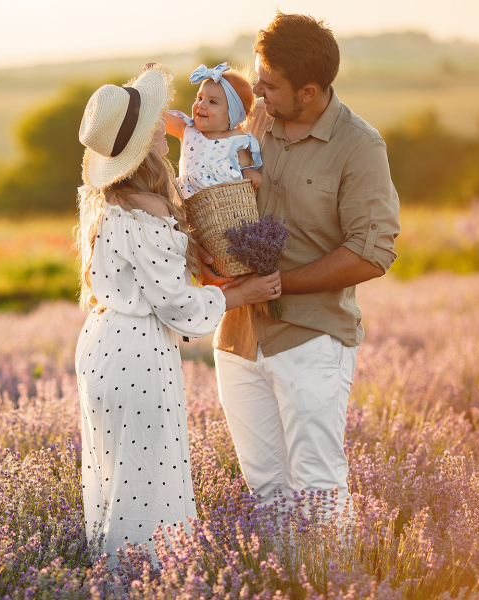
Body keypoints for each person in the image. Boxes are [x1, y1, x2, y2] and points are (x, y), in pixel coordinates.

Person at [74, 64, 281, 564]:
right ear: (145, 145)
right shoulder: (150, 207)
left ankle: (114, 578)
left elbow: (151, 280)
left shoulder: (105, 200)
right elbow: (177, 305)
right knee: (149, 480)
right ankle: (151, 580)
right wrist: (240, 292)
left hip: (101, 345)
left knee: (114, 477)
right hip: (138, 353)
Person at [201, 13, 401, 514]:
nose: (257, 96)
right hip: (238, 335)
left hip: (312, 337)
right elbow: (214, 194)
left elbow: (372, 252)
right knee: (264, 490)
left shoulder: (360, 146)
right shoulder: (255, 123)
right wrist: (205, 257)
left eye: (268, 86)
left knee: (317, 487)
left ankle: (338, 588)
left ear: (309, 91)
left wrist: (276, 285)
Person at [164, 62, 264, 199]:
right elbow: (158, 117)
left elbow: (244, 167)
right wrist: (154, 81)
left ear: (232, 115)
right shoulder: (187, 129)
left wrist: (249, 173)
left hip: (224, 209)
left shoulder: (237, 138)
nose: (201, 105)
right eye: (199, 98)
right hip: (190, 206)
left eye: (213, 102)